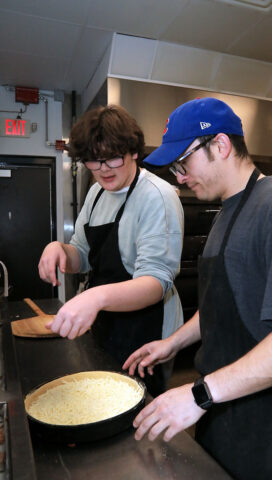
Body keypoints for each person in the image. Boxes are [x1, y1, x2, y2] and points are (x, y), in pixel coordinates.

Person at [123, 97, 272, 479]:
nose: (179, 177)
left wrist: (200, 393)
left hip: (265, 423)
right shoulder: (227, 210)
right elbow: (222, 302)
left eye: (183, 162)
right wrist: (172, 344)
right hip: (219, 406)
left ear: (221, 145)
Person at [38, 104, 184, 397]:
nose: (103, 169)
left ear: (133, 152)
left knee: (138, 415)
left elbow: (156, 283)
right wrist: (60, 250)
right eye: (93, 161)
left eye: (112, 158)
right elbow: (81, 253)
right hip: (107, 322)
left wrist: (95, 296)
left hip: (148, 331)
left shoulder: (157, 196)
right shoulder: (95, 193)